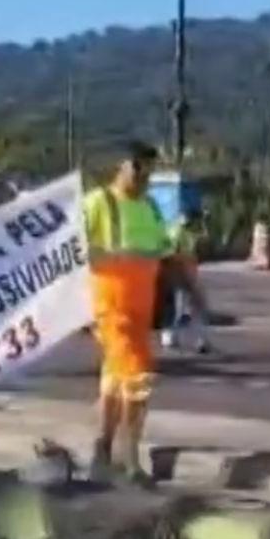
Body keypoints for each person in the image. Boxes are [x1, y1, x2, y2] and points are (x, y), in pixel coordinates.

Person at [84, 141, 204, 484]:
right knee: (138, 378)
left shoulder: (150, 208)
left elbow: (167, 255)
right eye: (137, 167)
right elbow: (69, 252)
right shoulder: (98, 204)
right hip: (111, 310)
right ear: (119, 166)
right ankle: (130, 461)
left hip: (140, 310)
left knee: (115, 380)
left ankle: (102, 453)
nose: (143, 176)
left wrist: (194, 294)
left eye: (149, 170)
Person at [164, 211, 212, 354]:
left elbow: (202, 241)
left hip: (186, 271)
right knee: (194, 306)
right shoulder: (177, 232)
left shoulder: (184, 232)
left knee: (184, 306)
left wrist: (205, 222)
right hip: (182, 272)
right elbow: (173, 254)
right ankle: (198, 340)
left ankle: (173, 336)